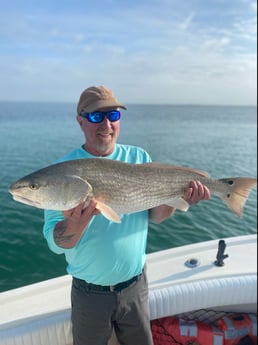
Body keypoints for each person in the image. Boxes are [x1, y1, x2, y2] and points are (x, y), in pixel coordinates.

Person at [43, 86, 210, 345]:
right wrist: (77, 223)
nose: (107, 124)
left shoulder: (138, 157)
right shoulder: (62, 174)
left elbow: (156, 215)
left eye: (113, 116)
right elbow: (57, 244)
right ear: (80, 120)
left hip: (136, 289)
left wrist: (179, 200)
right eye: (96, 117)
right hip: (90, 295)